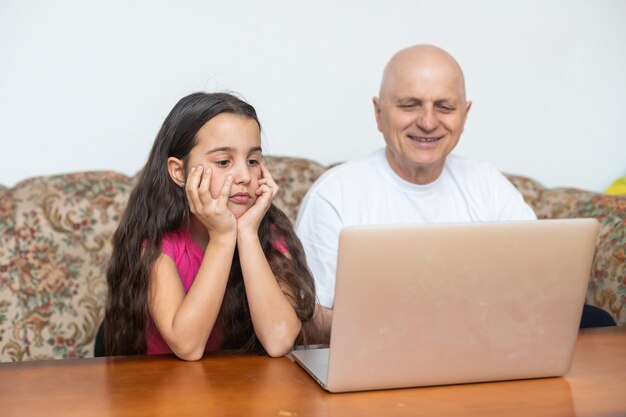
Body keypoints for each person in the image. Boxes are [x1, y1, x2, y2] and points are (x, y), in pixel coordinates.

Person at [295, 44, 538, 339]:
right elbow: (307, 318)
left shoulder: (489, 184)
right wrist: (406, 326)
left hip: (478, 351)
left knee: (593, 318)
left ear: (465, 114)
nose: (427, 122)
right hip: (376, 360)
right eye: (410, 105)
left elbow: (537, 286)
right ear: (378, 112)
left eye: (445, 107)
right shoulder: (334, 195)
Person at [104, 92, 319, 360]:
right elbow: (188, 346)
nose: (244, 176)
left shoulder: (268, 231)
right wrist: (223, 237)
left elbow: (279, 341)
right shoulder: (157, 242)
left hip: (234, 389)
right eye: (223, 162)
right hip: (165, 389)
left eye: (252, 161)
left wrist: (248, 234)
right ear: (179, 172)